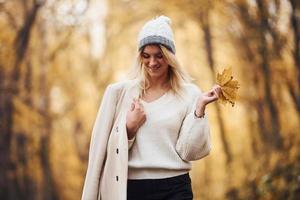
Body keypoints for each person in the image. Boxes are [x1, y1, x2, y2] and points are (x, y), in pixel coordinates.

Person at [81, 15, 221, 200]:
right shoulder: (120, 94)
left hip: (176, 188)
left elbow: (191, 152)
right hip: (132, 189)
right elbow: (100, 154)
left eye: (159, 56)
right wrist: (128, 129)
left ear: (170, 57)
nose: (152, 63)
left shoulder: (190, 94)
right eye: (146, 56)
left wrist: (199, 110)